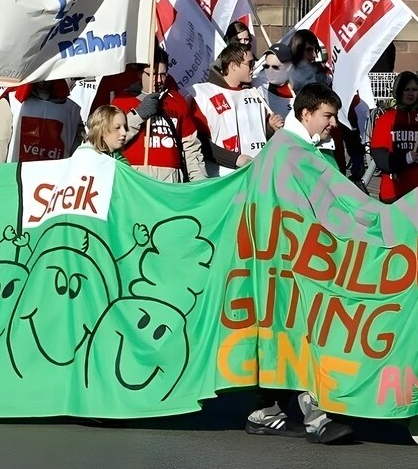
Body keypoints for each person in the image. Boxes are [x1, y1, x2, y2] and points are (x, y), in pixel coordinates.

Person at [246, 82, 353, 445]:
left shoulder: (311, 149)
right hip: (288, 261)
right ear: (305, 114)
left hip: (308, 258)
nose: (333, 123)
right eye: (327, 115)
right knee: (297, 333)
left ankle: (274, 410)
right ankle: (313, 415)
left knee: (298, 334)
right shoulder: (285, 152)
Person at [112, 52, 207, 182]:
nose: (157, 80)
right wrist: (138, 115)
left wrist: (200, 182)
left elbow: (191, 147)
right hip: (135, 177)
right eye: (151, 74)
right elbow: (110, 140)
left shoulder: (177, 101)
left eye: (162, 75)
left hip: (171, 179)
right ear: (140, 74)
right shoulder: (122, 101)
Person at [191, 43, 282, 175]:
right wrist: (236, 159)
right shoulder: (203, 95)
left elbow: (257, 134)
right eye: (249, 64)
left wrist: (270, 127)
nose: (253, 68)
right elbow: (199, 142)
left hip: (258, 172)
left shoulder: (257, 90)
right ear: (233, 66)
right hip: (224, 177)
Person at [369, 72, 418, 203]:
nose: (411, 93)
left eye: (415, 89)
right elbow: (379, 155)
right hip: (393, 190)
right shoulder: (386, 118)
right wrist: (404, 159)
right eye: (406, 89)